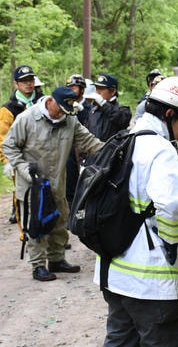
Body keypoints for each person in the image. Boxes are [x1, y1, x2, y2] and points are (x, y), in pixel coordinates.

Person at [95, 77, 178, 347]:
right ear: (170, 114)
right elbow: (172, 205)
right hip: (149, 281)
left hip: (114, 273)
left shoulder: (123, 139)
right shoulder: (160, 149)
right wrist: (170, 244)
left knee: (120, 341)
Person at [3, 86, 104, 281]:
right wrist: (24, 170)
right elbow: (9, 146)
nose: (62, 115)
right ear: (50, 101)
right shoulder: (27, 119)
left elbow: (89, 142)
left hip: (57, 183)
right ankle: (38, 265)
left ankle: (57, 259)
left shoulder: (69, 120)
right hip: (33, 186)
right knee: (37, 224)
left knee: (60, 221)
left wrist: (113, 149)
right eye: (60, 110)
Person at [0, 65, 43, 224]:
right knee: (22, 196)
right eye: (24, 81)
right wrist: (7, 161)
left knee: (47, 194)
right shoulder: (8, 109)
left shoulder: (42, 102)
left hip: (43, 156)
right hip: (20, 158)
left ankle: (46, 232)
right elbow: (2, 137)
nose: (28, 84)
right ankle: (25, 232)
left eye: (30, 80)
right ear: (16, 84)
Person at [65, 74, 92, 207]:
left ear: (82, 89)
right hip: (68, 150)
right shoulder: (64, 107)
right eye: (69, 87)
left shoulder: (90, 108)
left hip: (83, 150)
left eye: (74, 87)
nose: (71, 90)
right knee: (68, 182)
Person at [84, 73, 131, 142]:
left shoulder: (123, 110)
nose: (97, 92)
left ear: (113, 91)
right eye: (96, 88)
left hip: (111, 151)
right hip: (92, 150)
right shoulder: (93, 110)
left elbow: (121, 119)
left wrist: (103, 103)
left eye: (101, 88)